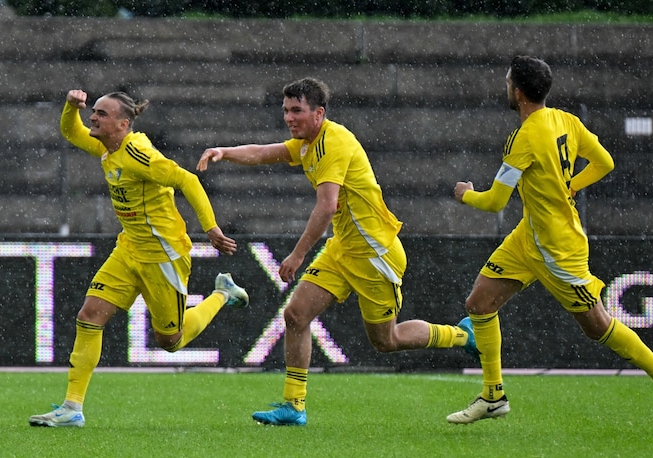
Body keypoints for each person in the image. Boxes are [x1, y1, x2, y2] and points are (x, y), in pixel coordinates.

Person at [197, 77, 476, 426]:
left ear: (319, 113)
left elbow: (327, 207)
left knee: (387, 340)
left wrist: (297, 255)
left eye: (297, 111)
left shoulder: (334, 143)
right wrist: (225, 152)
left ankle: (462, 335)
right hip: (343, 248)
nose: (289, 118)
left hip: (375, 254)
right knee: (296, 315)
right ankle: (294, 407)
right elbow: (268, 152)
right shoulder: (307, 143)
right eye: (285, 110)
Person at [447, 56, 653, 430]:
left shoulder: (523, 137)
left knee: (596, 326)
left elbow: (494, 201)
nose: (506, 87)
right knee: (479, 303)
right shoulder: (566, 120)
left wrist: (466, 194)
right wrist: (570, 185)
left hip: (558, 248)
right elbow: (604, 161)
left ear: (519, 92)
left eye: (508, 82)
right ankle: (493, 395)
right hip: (530, 235)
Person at [29, 89, 249, 428]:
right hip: (129, 247)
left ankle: (222, 294)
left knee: (170, 342)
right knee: (89, 315)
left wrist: (211, 228)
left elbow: (186, 179)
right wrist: (70, 107)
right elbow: (71, 131)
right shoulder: (107, 146)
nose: (94, 117)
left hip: (163, 256)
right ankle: (72, 408)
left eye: (102, 114)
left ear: (123, 123)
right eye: (95, 111)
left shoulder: (139, 154)